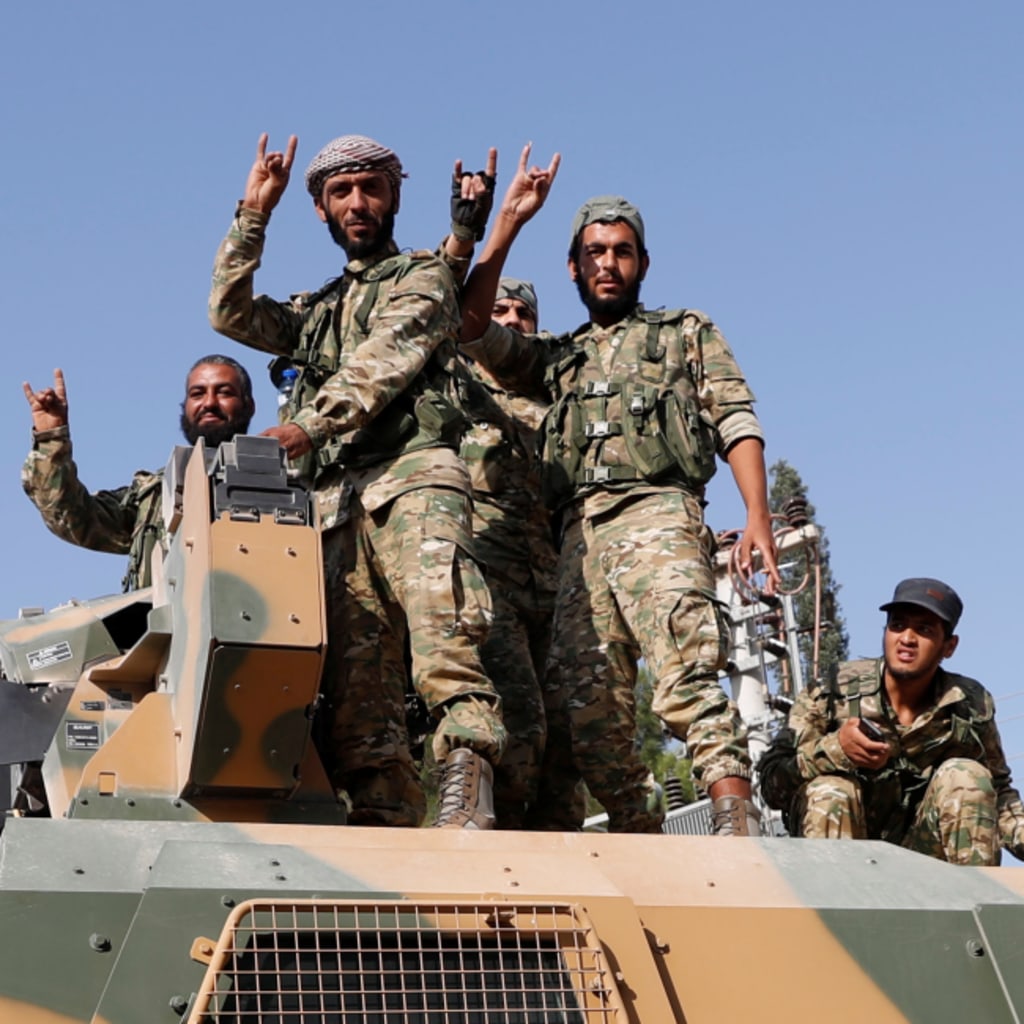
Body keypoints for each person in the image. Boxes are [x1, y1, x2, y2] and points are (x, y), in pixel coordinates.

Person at [459, 146, 780, 835]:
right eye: (595, 252)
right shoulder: (555, 359)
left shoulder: (681, 332)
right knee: (587, 715)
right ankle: (641, 832)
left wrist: (757, 514)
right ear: (573, 268)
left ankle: (732, 815)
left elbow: (735, 417)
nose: (609, 263)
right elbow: (470, 326)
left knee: (684, 669)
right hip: (579, 540)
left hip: (658, 512)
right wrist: (509, 221)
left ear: (643, 263)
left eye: (623, 251)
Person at [208, 133, 506, 829]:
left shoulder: (423, 277)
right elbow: (229, 313)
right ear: (320, 208)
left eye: (371, 187)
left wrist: (307, 427)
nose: (358, 203)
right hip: (337, 504)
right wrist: (253, 214)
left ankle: (467, 784)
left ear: (395, 195)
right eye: (341, 192)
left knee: (445, 632)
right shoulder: (319, 310)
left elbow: (383, 360)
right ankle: (384, 820)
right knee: (359, 693)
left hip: (414, 478)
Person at [790, 578, 1024, 865]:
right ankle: (832, 909)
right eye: (897, 625)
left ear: (949, 646)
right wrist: (836, 749)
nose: (907, 639)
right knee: (831, 790)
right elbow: (774, 779)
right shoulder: (833, 690)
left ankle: (977, 904)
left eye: (924, 629)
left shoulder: (969, 704)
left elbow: (999, 794)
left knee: (966, 775)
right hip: (848, 865)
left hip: (925, 857)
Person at [22, 355, 255, 591]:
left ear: (249, 405)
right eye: (197, 394)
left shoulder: (286, 479)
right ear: (185, 408)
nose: (209, 403)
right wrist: (51, 437)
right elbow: (73, 516)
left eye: (224, 392)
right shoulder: (153, 496)